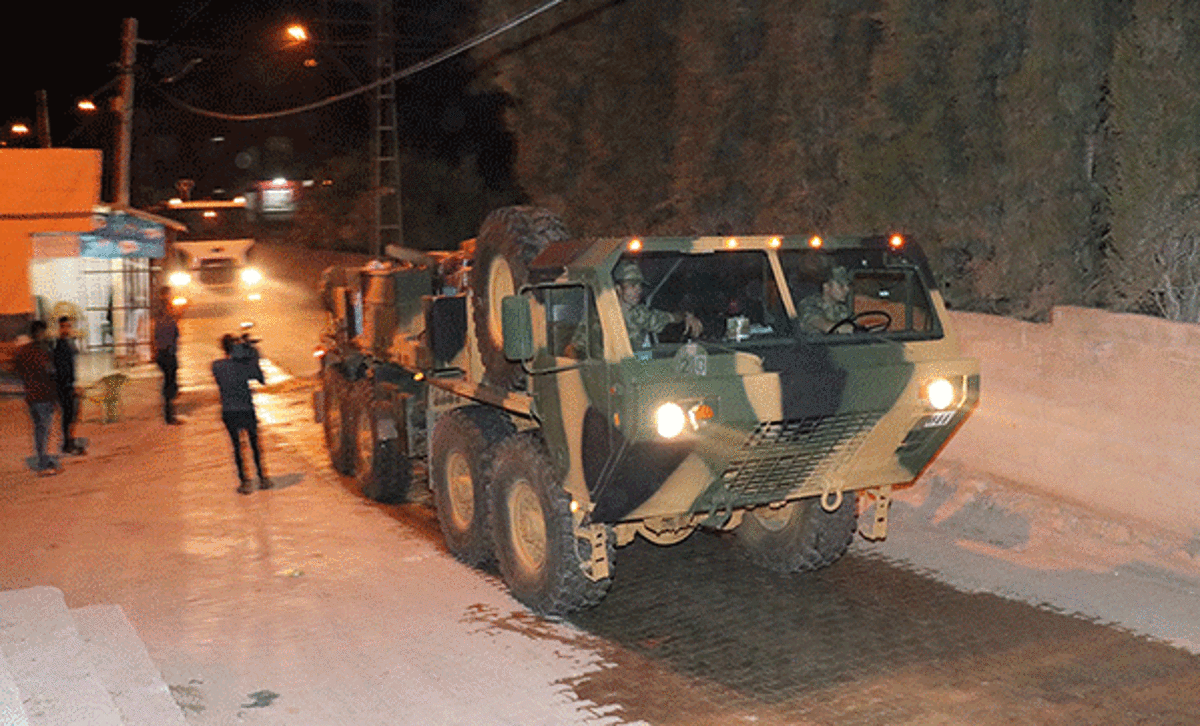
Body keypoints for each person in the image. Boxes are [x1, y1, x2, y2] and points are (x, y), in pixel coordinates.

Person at [212, 333, 269, 494]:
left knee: (237, 447)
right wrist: (252, 355)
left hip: (228, 411)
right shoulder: (245, 366)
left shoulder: (217, 366)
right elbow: (261, 379)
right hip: (246, 409)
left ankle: (244, 480)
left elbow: (221, 378)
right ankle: (262, 477)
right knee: (254, 444)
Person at [613, 260, 703, 348]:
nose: (638, 290)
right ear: (618, 288)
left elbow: (668, 317)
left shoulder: (640, 314)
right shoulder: (606, 317)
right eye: (632, 285)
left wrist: (685, 316)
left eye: (640, 285)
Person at [13, 320, 62, 475]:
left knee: (38, 429)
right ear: (40, 333)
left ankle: (43, 457)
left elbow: (18, 370)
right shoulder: (42, 352)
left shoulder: (22, 351)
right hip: (44, 395)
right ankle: (43, 462)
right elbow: (49, 374)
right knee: (43, 430)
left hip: (31, 395)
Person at [53, 316, 84, 455]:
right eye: (63, 326)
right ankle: (67, 444)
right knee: (68, 415)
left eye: (68, 326)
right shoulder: (59, 345)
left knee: (72, 414)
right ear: (59, 327)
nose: (66, 329)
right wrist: (69, 386)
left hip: (68, 384)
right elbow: (61, 369)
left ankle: (69, 440)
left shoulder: (68, 343)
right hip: (63, 385)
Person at [798, 265, 854, 334]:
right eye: (841, 286)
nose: (847, 289)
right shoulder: (808, 304)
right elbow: (826, 327)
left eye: (848, 285)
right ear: (826, 287)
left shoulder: (843, 308)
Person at [153, 297, 183, 425]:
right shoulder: (170, 321)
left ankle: (169, 411)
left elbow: (155, 339)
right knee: (170, 384)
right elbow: (176, 335)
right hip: (169, 355)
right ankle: (169, 415)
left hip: (161, 355)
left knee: (167, 382)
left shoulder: (158, 322)